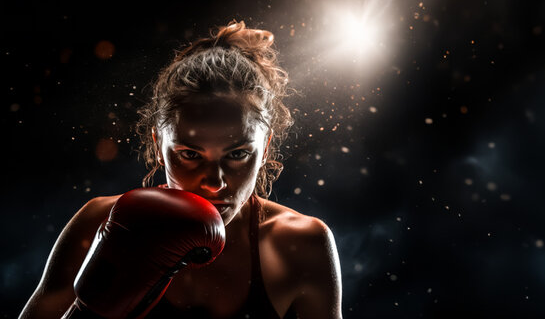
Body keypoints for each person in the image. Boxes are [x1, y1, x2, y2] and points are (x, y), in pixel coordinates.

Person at [19, 21, 343, 319]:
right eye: (190, 153)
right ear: (158, 143)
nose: (215, 182)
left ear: (266, 148)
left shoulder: (303, 245)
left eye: (238, 154)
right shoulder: (98, 222)